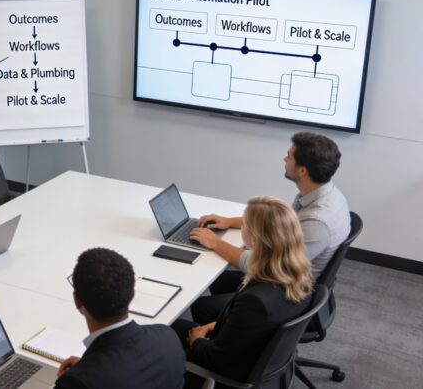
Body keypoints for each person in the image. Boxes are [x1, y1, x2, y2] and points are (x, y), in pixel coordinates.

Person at [190, 131, 349, 324]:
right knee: (214, 278)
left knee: (201, 305)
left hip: (286, 293)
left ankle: (219, 337)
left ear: (302, 171)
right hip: (286, 278)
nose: (284, 158)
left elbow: (263, 266)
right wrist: (230, 222)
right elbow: (278, 224)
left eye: (289, 156)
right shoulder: (323, 194)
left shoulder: (317, 222)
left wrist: (215, 243)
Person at [172, 196, 313, 385]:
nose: (242, 226)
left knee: (162, 333)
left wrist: (196, 340)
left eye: (245, 223)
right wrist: (216, 324)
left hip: (227, 372)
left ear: (254, 238)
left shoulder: (256, 301)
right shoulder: (299, 273)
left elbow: (215, 359)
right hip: (253, 352)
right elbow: (253, 326)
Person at [55, 248, 185, 389]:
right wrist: (86, 369)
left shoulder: (79, 381)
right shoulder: (168, 336)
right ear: (132, 294)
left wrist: (80, 376)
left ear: (77, 301)